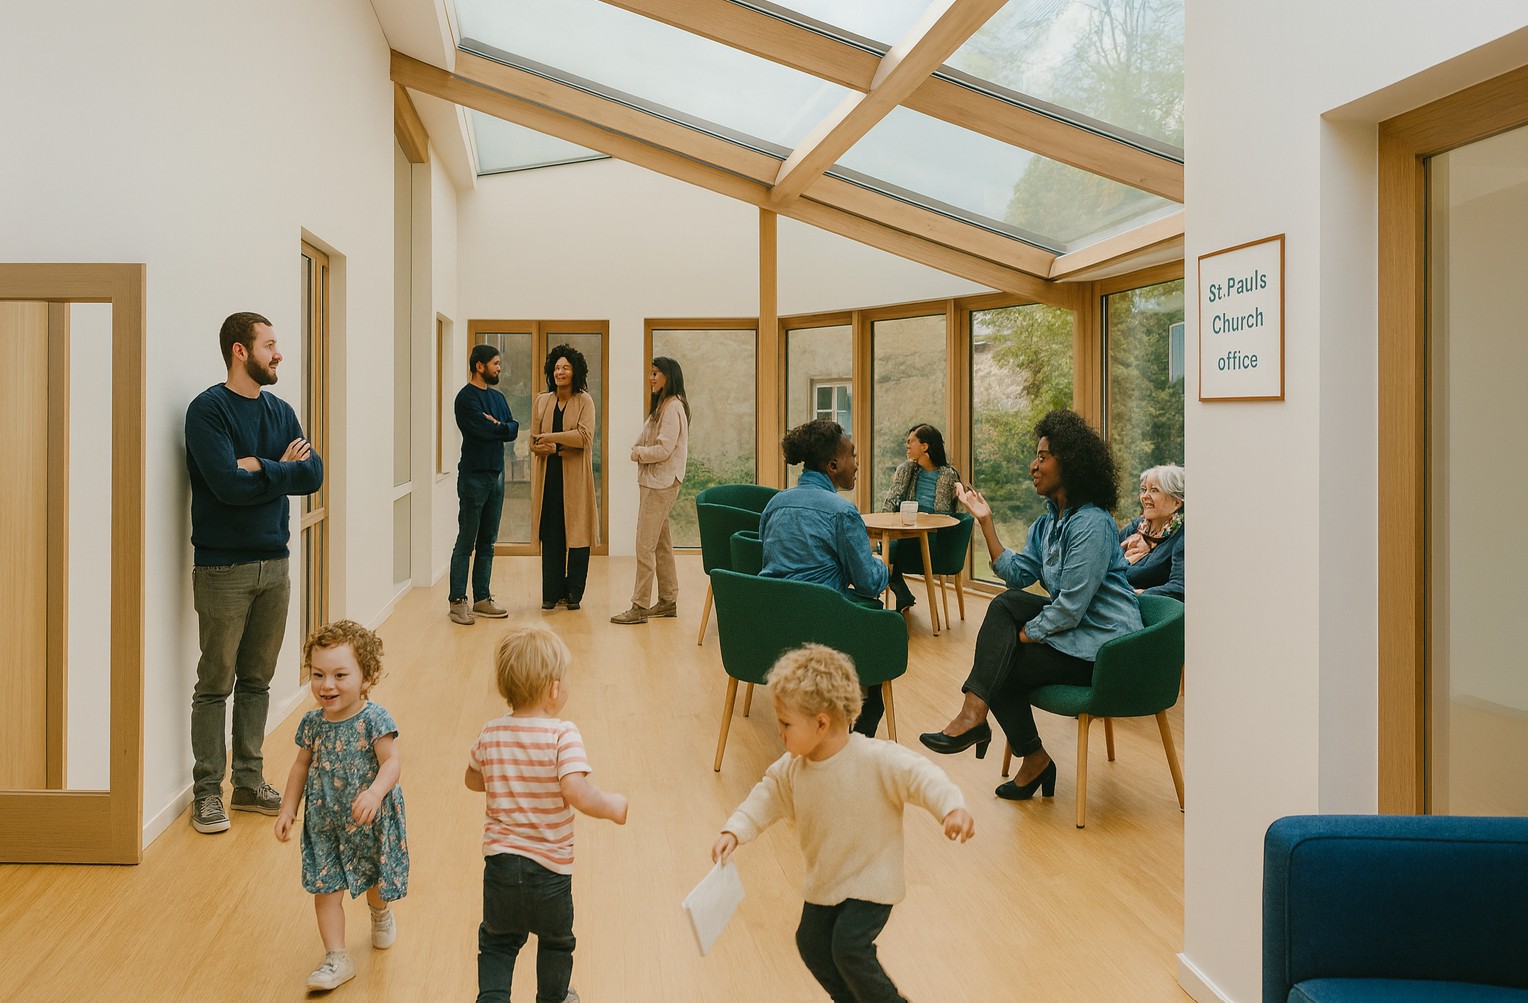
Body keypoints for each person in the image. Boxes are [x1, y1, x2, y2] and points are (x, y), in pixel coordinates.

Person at [712, 644, 974, 1003]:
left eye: (786, 724)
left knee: (848, 946)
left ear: (821, 722)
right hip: (827, 879)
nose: (780, 734)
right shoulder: (792, 769)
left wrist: (951, 808)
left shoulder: (874, 759)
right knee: (811, 944)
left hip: (872, 879)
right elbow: (766, 795)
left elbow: (921, 776)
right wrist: (734, 830)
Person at [918, 409, 1142, 803]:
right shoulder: (1048, 523)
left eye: (1042, 457)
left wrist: (1026, 634)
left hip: (1105, 647)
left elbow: (1071, 608)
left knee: (1003, 662)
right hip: (1075, 636)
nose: (1032, 465)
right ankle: (1006, 739)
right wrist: (986, 523)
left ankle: (993, 730)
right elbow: (1019, 574)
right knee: (1005, 618)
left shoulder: (1091, 524)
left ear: (1069, 464)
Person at [184, 311, 324, 835]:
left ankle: (247, 782)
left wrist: (260, 466)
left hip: (276, 563)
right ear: (240, 351)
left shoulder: (281, 410)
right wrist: (278, 469)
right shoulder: (208, 411)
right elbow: (225, 485)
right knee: (215, 682)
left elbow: (313, 474)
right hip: (223, 567)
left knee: (258, 681)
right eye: (269, 345)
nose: (278, 353)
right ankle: (207, 792)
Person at [466, 624, 628, 1003]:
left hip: (501, 866)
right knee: (556, 942)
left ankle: (491, 998)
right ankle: (553, 998)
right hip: (551, 871)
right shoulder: (562, 734)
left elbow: (473, 779)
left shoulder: (490, 732)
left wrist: (506, 777)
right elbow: (575, 789)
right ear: (555, 688)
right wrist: (611, 806)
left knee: (498, 943)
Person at [274, 620, 408, 993]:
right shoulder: (312, 723)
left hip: (370, 818)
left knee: (375, 881)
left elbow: (392, 762)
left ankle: (380, 912)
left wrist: (375, 793)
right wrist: (288, 809)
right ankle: (336, 956)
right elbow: (301, 766)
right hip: (325, 820)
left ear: (366, 677)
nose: (326, 685)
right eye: (318, 674)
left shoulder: (374, 719)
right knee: (325, 888)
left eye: (339, 674)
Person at [760, 419, 890, 736]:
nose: (857, 464)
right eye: (853, 455)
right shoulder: (842, 512)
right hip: (819, 628)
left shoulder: (774, 504)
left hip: (771, 626)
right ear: (833, 465)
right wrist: (881, 561)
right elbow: (870, 583)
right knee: (881, 626)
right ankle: (855, 741)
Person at [612, 356, 690, 625]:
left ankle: (638, 606)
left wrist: (638, 454)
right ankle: (668, 600)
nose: (651, 377)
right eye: (651, 372)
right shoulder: (664, 405)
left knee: (644, 545)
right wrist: (640, 449)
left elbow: (664, 449)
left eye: (656, 373)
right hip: (657, 482)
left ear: (669, 376)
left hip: (661, 483)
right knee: (660, 544)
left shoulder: (672, 407)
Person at [449, 343, 520, 626]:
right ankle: (457, 602)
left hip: (496, 475)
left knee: (488, 541)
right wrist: (498, 428)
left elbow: (513, 428)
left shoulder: (499, 397)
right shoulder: (465, 399)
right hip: (473, 477)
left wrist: (498, 427)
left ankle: (481, 598)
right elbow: (479, 430)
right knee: (466, 540)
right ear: (479, 366)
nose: (498, 368)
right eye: (495, 363)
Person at [530, 345, 599, 611]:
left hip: (576, 479)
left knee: (578, 535)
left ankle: (573, 594)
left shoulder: (585, 401)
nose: (560, 372)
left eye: (566, 367)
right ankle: (551, 592)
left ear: (575, 371)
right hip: (549, 477)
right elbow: (533, 441)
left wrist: (551, 439)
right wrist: (544, 445)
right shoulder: (542, 401)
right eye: (557, 367)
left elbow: (583, 437)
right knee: (552, 533)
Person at [879, 423, 961, 613]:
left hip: (934, 536)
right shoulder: (907, 470)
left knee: (887, 552)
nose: (907, 446)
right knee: (886, 548)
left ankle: (901, 595)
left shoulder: (949, 474)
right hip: (908, 532)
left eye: (911, 442)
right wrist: (885, 522)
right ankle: (902, 593)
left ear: (924, 446)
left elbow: (951, 515)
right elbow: (893, 497)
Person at [1118, 464, 1186, 601]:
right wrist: (1122, 559)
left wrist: (1137, 594)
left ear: (1176, 503)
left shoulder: (1182, 537)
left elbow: (1179, 588)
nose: (1145, 496)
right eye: (1143, 490)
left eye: (1154, 490)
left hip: (1149, 612)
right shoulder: (1135, 528)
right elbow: (1101, 563)